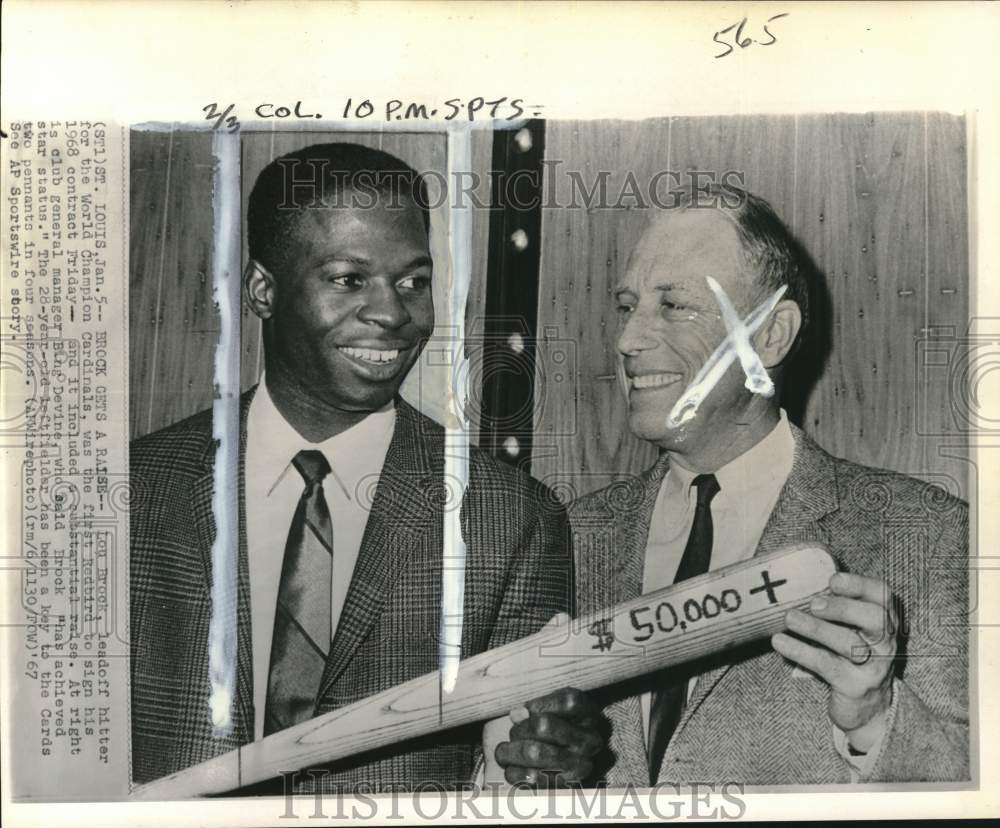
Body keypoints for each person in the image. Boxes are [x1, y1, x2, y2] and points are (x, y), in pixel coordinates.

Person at [129, 142, 595, 792]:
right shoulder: (129, 494)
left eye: (413, 282)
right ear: (262, 289)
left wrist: (547, 771)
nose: (393, 313)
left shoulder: (512, 520)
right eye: (349, 279)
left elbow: (522, 772)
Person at [496, 185, 969, 785]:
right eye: (627, 306)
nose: (627, 340)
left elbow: (976, 783)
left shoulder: (927, 535)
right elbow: (495, 769)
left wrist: (875, 720)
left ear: (770, 336)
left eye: (674, 305)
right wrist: (529, 777)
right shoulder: (568, 537)